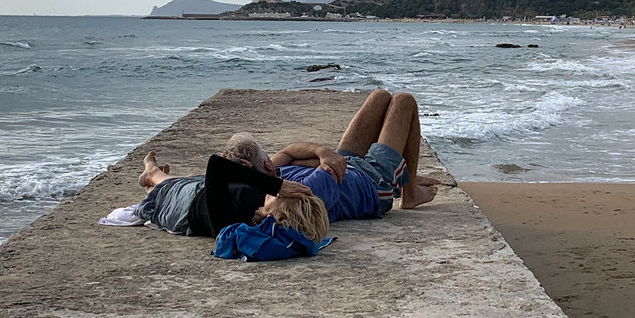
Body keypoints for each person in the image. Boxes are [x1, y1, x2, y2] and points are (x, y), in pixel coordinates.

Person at [265, 89, 440, 223]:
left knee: (380, 96)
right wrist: (309, 158)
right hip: (369, 184)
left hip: (347, 166)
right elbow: (312, 165)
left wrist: (320, 153)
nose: (268, 160)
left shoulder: (264, 174)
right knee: (404, 101)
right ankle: (409, 193)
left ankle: (408, 176)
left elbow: (286, 152)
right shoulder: (295, 195)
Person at [134, 135, 314, 237]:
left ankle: (152, 174)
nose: (277, 193)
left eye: (278, 197)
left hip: (185, 206)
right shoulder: (261, 203)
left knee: (170, 187)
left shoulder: (228, 225)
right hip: (209, 188)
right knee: (191, 180)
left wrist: (277, 185)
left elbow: (215, 164)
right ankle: (156, 179)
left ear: (274, 214)